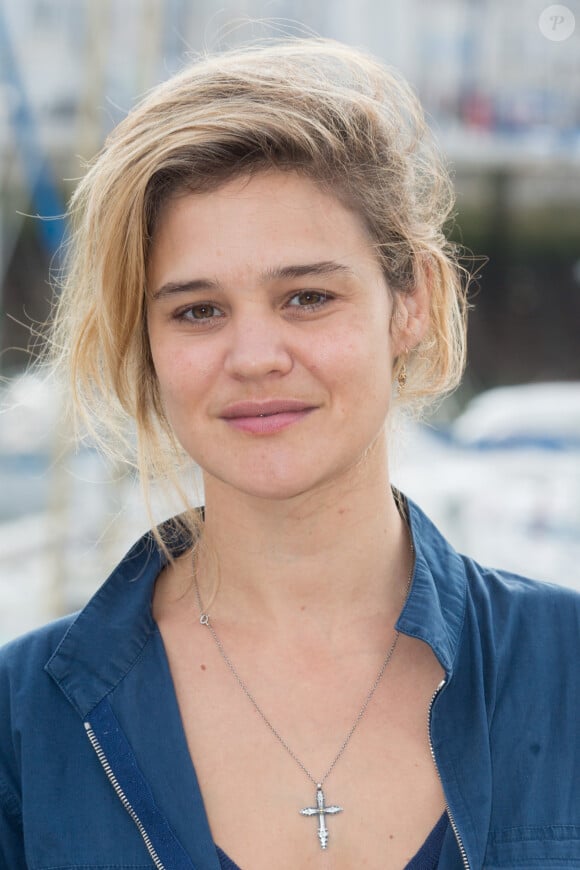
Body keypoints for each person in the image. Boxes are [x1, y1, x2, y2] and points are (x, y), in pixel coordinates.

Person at [0, 37, 579, 870]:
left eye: (307, 297)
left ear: (409, 302)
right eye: (198, 311)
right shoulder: (27, 724)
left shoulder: (566, 670)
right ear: (148, 344)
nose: (255, 355)